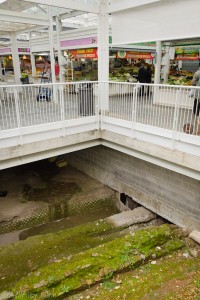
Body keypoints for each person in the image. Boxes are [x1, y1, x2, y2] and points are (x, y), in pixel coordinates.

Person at [191, 67, 200, 135]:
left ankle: (197, 131)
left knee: (196, 113)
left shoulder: (198, 73)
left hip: (198, 97)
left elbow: (193, 82)